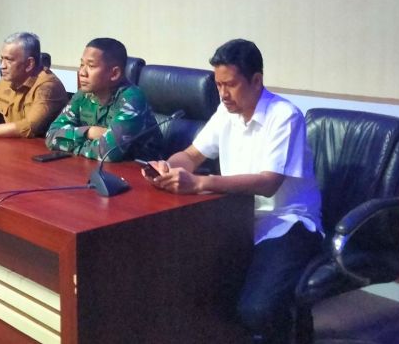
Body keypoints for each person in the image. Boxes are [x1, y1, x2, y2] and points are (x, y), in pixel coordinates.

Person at [144, 39, 322, 342]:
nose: (223, 94)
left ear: (256, 80)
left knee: (257, 309)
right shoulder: (226, 112)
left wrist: (201, 183)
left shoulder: (284, 116)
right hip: (235, 218)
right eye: (218, 85)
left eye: (231, 85)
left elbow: (268, 183)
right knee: (189, 286)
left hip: (286, 223)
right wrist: (167, 166)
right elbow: (191, 155)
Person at [45, 37, 161, 161]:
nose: (82, 72)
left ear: (114, 74)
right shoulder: (83, 95)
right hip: (95, 167)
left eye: (91, 66)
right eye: (82, 64)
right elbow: (51, 135)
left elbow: (107, 153)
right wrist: (89, 132)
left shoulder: (132, 98)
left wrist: (73, 144)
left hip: (137, 170)